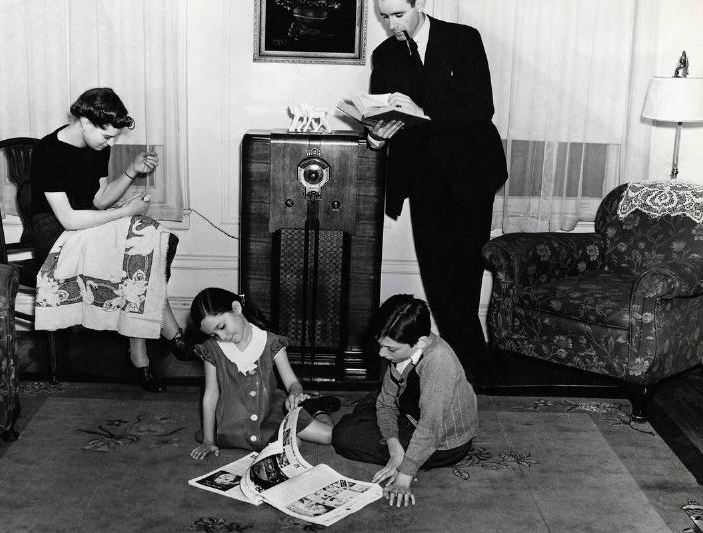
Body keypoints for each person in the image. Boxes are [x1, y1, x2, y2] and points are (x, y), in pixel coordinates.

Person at [366, 0, 508, 373]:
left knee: (465, 272)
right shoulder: (385, 55)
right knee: (437, 275)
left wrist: (421, 112)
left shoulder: (463, 39)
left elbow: (481, 107)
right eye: (384, 17)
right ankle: (460, 363)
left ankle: (468, 362)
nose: (392, 25)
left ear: (420, 5)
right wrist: (377, 136)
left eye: (399, 15)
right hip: (423, 178)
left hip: (470, 174)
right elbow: (381, 115)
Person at [31, 87, 189, 393]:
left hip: (87, 223)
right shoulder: (47, 152)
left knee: (151, 235)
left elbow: (100, 200)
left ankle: (144, 346)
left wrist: (131, 171)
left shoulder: (98, 147)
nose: (110, 143)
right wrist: (125, 212)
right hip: (55, 233)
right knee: (140, 239)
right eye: (107, 136)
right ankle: (165, 337)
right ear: (85, 123)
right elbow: (69, 219)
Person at [331, 294, 477, 508]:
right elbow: (385, 403)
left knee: (344, 436)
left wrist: (404, 477)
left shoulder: (439, 362)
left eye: (390, 349)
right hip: (412, 413)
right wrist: (395, 448)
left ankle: (324, 417)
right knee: (373, 401)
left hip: (443, 444)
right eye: (381, 345)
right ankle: (386, 436)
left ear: (421, 342)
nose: (382, 353)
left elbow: (430, 429)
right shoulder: (406, 347)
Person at [188, 287, 341, 459]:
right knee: (292, 445)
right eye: (214, 334)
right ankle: (305, 413)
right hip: (233, 424)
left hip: (272, 412)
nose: (222, 337)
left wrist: (295, 393)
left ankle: (316, 408)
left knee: (328, 436)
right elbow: (210, 396)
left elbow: (292, 383)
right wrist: (208, 440)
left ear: (236, 308)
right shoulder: (211, 349)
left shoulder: (271, 342)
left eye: (222, 327)